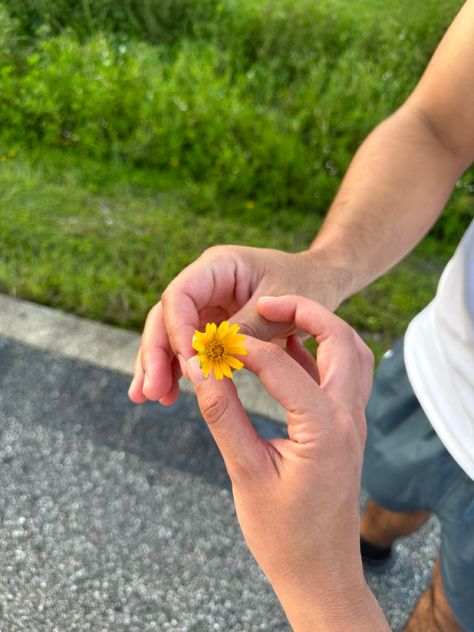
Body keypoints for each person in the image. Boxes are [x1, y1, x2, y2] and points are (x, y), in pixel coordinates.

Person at [129, 1, 474, 629]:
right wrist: (323, 268)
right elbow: (437, 127)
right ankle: (371, 533)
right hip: (437, 372)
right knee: (383, 490)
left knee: (449, 615)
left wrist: (320, 581)